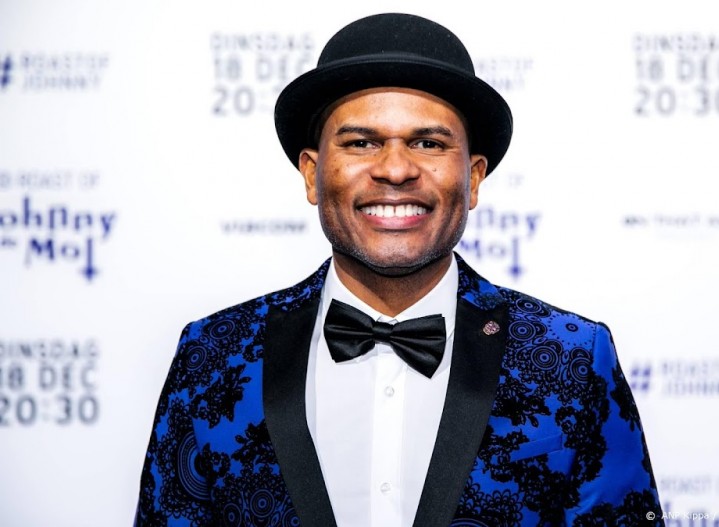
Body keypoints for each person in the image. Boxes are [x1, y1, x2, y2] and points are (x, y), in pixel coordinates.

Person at [135, 13, 663, 527]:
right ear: (313, 174)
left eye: (428, 143)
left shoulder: (573, 357)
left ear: (473, 178)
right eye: (361, 143)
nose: (394, 169)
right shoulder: (212, 355)